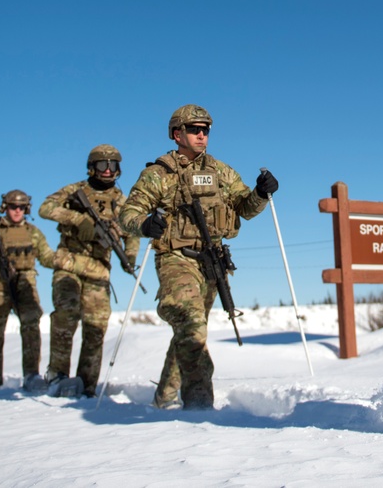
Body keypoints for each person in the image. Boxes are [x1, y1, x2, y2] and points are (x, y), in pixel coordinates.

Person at [119, 104, 278, 409]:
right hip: (176, 258)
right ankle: (199, 408)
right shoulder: (160, 174)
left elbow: (244, 208)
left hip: (212, 262)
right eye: (195, 129)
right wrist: (144, 224)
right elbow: (128, 214)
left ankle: (163, 397)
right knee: (192, 325)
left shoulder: (220, 171)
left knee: (191, 331)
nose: (202, 135)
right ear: (177, 134)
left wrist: (260, 193)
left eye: (206, 130)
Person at [38, 144, 139, 396]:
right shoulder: (74, 191)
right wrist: (77, 219)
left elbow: (132, 232)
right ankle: (57, 376)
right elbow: (45, 208)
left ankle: (87, 385)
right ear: (91, 167)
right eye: (102, 165)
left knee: (96, 327)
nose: (107, 170)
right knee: (66, 317)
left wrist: (130, 256)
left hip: (99, 271)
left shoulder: (121, 201)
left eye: (113, 165)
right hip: (68, 265)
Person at [0, 190, 55, 389]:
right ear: (5, 207)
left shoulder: (33, 232)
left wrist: (65, 261)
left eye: (21, 207)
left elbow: (46, 256)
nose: (17, 211)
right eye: (12, 207)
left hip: (25, 284)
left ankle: (31, 375)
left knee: (31, 328)